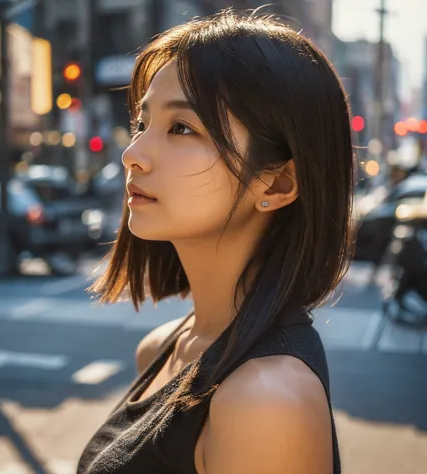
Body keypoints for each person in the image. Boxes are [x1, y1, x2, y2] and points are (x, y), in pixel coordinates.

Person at [77, 9, 354, 474]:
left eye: (182, 128)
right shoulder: (164, 347)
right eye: (143, 125)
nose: (133, 154)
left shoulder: (265, 401)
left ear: (278, 183)